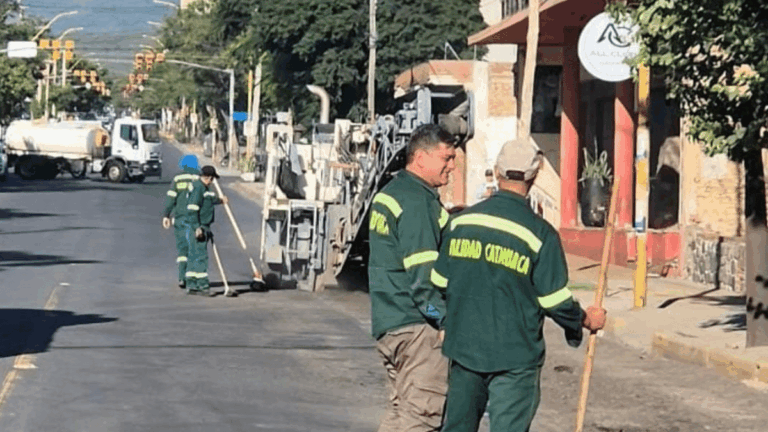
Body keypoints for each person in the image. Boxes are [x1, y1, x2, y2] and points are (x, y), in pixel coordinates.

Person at [432, 138, 607, 432]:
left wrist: (444, 322)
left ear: (497, 173)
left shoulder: (461, 223)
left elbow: (437, 284)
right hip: (515, 358)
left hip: (464, 351)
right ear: (534, 176)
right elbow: (555, 301)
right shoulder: (540, 234)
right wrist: (586, 320)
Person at [368, 124, 456, 432]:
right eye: (446, 158)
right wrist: (442, 319)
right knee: (420, 419)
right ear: (420, 158)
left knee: (401, 414)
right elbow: (423, 281)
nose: (452, 165)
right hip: (417, 327)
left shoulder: (391, 194)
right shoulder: (417, 203)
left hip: (389, 322)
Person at [183, 165, 228, 296]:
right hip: (199, 226)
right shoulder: (198, 188)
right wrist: (197, 227)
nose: (213, 182)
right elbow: (192, 209)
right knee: (200, 256)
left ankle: (191, 284)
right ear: (208, 178)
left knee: (194, 255)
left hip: (204, 226)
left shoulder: (204, 188)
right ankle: (202, 286)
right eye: (213, 179)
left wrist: (220, 200)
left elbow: (209, 199)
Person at [162, 154, 200, 289]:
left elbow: (171, 198)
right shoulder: (199, 179)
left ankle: (181, 277)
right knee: (194, 248)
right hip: (195, 220)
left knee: (182, 248)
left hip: (180, 218)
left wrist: (166, 215)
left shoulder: (177, 179)